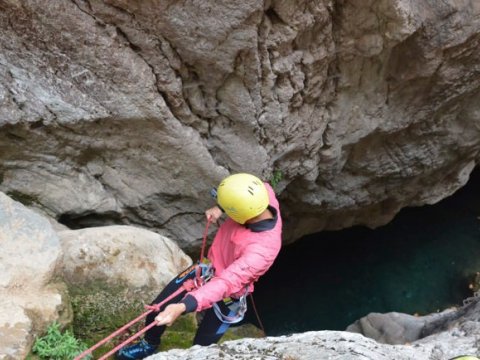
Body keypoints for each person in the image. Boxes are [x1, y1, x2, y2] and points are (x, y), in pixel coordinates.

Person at [116, 173, 283, 359]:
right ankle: (149, 344)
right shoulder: (262, 194)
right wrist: (221, 208)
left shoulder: (262, 251)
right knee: (158, 307)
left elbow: (226, 283)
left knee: (204, 341)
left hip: (230, 293)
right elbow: (250, 188)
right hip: (205, 270)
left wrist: (181, 307)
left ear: (240, 213)